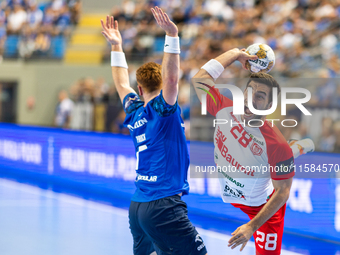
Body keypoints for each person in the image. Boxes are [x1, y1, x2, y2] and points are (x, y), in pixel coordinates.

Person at [100, 7, 208, 255]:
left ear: (139, 88)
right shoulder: (163, 110)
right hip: (164, 205)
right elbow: (171, 81)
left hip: (138, 205)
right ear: (161, 85)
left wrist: (117, 46)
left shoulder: (134, 110)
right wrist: (172, 35)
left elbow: (120, 82)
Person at [192, 48, 314, 254]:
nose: (251, 100)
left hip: (261, 205)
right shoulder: (223, 108)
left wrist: (252, 226)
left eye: (260, 96)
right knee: (276, 156)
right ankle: (297, 147)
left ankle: (296, 148)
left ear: (269, 104)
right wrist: (234, 54)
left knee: (281, 154)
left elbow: (283, 192)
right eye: (249, 92)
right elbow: (199, 79)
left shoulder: (275, 145)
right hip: (237, 190)